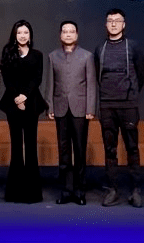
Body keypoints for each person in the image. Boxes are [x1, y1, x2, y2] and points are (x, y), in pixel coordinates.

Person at [94, 8, 144, 207]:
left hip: (128, 105)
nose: (113, 24)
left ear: (124, 24)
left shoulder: (133, 47)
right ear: (106, 24)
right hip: (107, 105)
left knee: (132, 147)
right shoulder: (100, 48)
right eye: (110, 20)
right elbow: (97, 75)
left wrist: (130, 93)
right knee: (110, 149)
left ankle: (135, 190)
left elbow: (141, 74)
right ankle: (113, 190)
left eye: (117, 20)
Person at [46, 21, 97, 205]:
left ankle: (80, 191)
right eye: (65, 31)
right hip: (60, 108)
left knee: (80, 151)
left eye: (71, 31)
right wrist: (50, 106)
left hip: (80, 109)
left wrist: (90, 108)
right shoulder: (53, 56)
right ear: (60, 35)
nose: (68, 34)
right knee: (64, 151)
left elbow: (91, 84)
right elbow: (50, 83)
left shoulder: (87, 56)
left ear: (76, 35)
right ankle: (66, 190)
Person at [0, 19, 47, 203]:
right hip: (12, 104)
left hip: (32, 103)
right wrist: (17, 98)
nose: (22, 36)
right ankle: (15, 193)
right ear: (14, 34)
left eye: (26, 32)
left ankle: (33, 193)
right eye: (19, 32)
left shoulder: (37, 55)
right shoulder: (8, 52)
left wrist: (25, 96)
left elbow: (37, 78)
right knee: (17, 146)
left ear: (30, 35)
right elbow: (7, 79)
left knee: (31, 146)